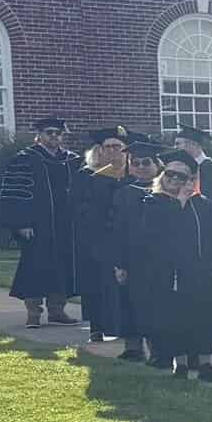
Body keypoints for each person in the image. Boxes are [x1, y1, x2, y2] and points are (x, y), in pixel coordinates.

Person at [114, 148, 212, 381]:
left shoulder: (205, 205)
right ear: (162, 176)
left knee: (202, 315)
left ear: (192, 180)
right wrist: (180, 203)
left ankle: (205, 364)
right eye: (170, 175)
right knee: (174, 318)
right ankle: (181, 364)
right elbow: (149, 236)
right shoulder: (152, 202)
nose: (175, 180)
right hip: (165, 272)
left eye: (182, 176)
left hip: (199, 271)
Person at [0, 116, 80, 327]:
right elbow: (14, 194)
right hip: (36, 226)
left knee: (63, 266)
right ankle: (33, 314)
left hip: (65, 226)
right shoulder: (24, 158)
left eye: (57, 133)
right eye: (49, 132)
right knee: (35, 267)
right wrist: (21, 223)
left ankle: (57, 311)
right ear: (39, 135)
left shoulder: (72, 159)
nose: (54, 136)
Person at [71, 126, 133, 342]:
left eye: (118, 147)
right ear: (100, 150)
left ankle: (125, 327)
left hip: (126, 239)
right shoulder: (87, 175)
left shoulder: (132, 175)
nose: (114, 151)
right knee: (96, 282)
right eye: (108, 147)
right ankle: (97, 327)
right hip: (97, 239)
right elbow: (76, 207)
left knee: (125, 283)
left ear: (126, 150)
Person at [109, 140, 164, 363]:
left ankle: (158, 348)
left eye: (146, 162)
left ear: (157, 164)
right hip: (132, 259)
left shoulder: (165, 190)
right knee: (130, 301)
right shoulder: (123, 194)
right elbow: (117, 230)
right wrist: (119, 263)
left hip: (160, 259)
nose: (141, 167)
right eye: (136, 163)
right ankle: (133, 347)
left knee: (156, 304)